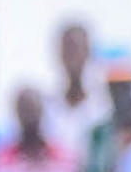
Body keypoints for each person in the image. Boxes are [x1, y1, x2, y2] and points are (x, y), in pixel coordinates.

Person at [42, 22, 103, 156]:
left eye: (77, 49)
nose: (73, 57)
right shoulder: (46, 107)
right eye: (68, 49)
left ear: (88, 52)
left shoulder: (104, 107)